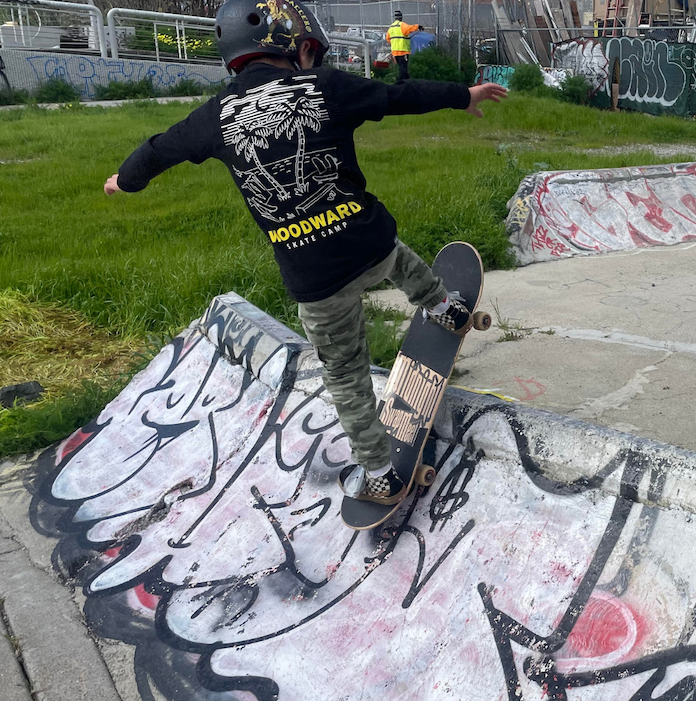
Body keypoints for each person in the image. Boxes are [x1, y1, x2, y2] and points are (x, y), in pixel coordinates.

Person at [102, 0, 508, 506]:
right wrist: (460, 95)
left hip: (315, 277)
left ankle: (380, 472)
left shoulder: (215, 116)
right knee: (400, 261)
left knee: (346, 375)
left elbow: (159, 149)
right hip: (367, 240)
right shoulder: (325, 87)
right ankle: (442, 307)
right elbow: (397, 96)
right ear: (293, 45)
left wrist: (126, 179)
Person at [388, 10, 423, 81]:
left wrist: (394, 44)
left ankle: (405, 80)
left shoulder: (391, 27)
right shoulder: (402, 25)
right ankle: (402, 82)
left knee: (401, 67)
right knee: (403, 68)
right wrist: (418, 27)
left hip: (395, 52)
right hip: (403, 51)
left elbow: (388, 38)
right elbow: (410, 28)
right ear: (401, 17)